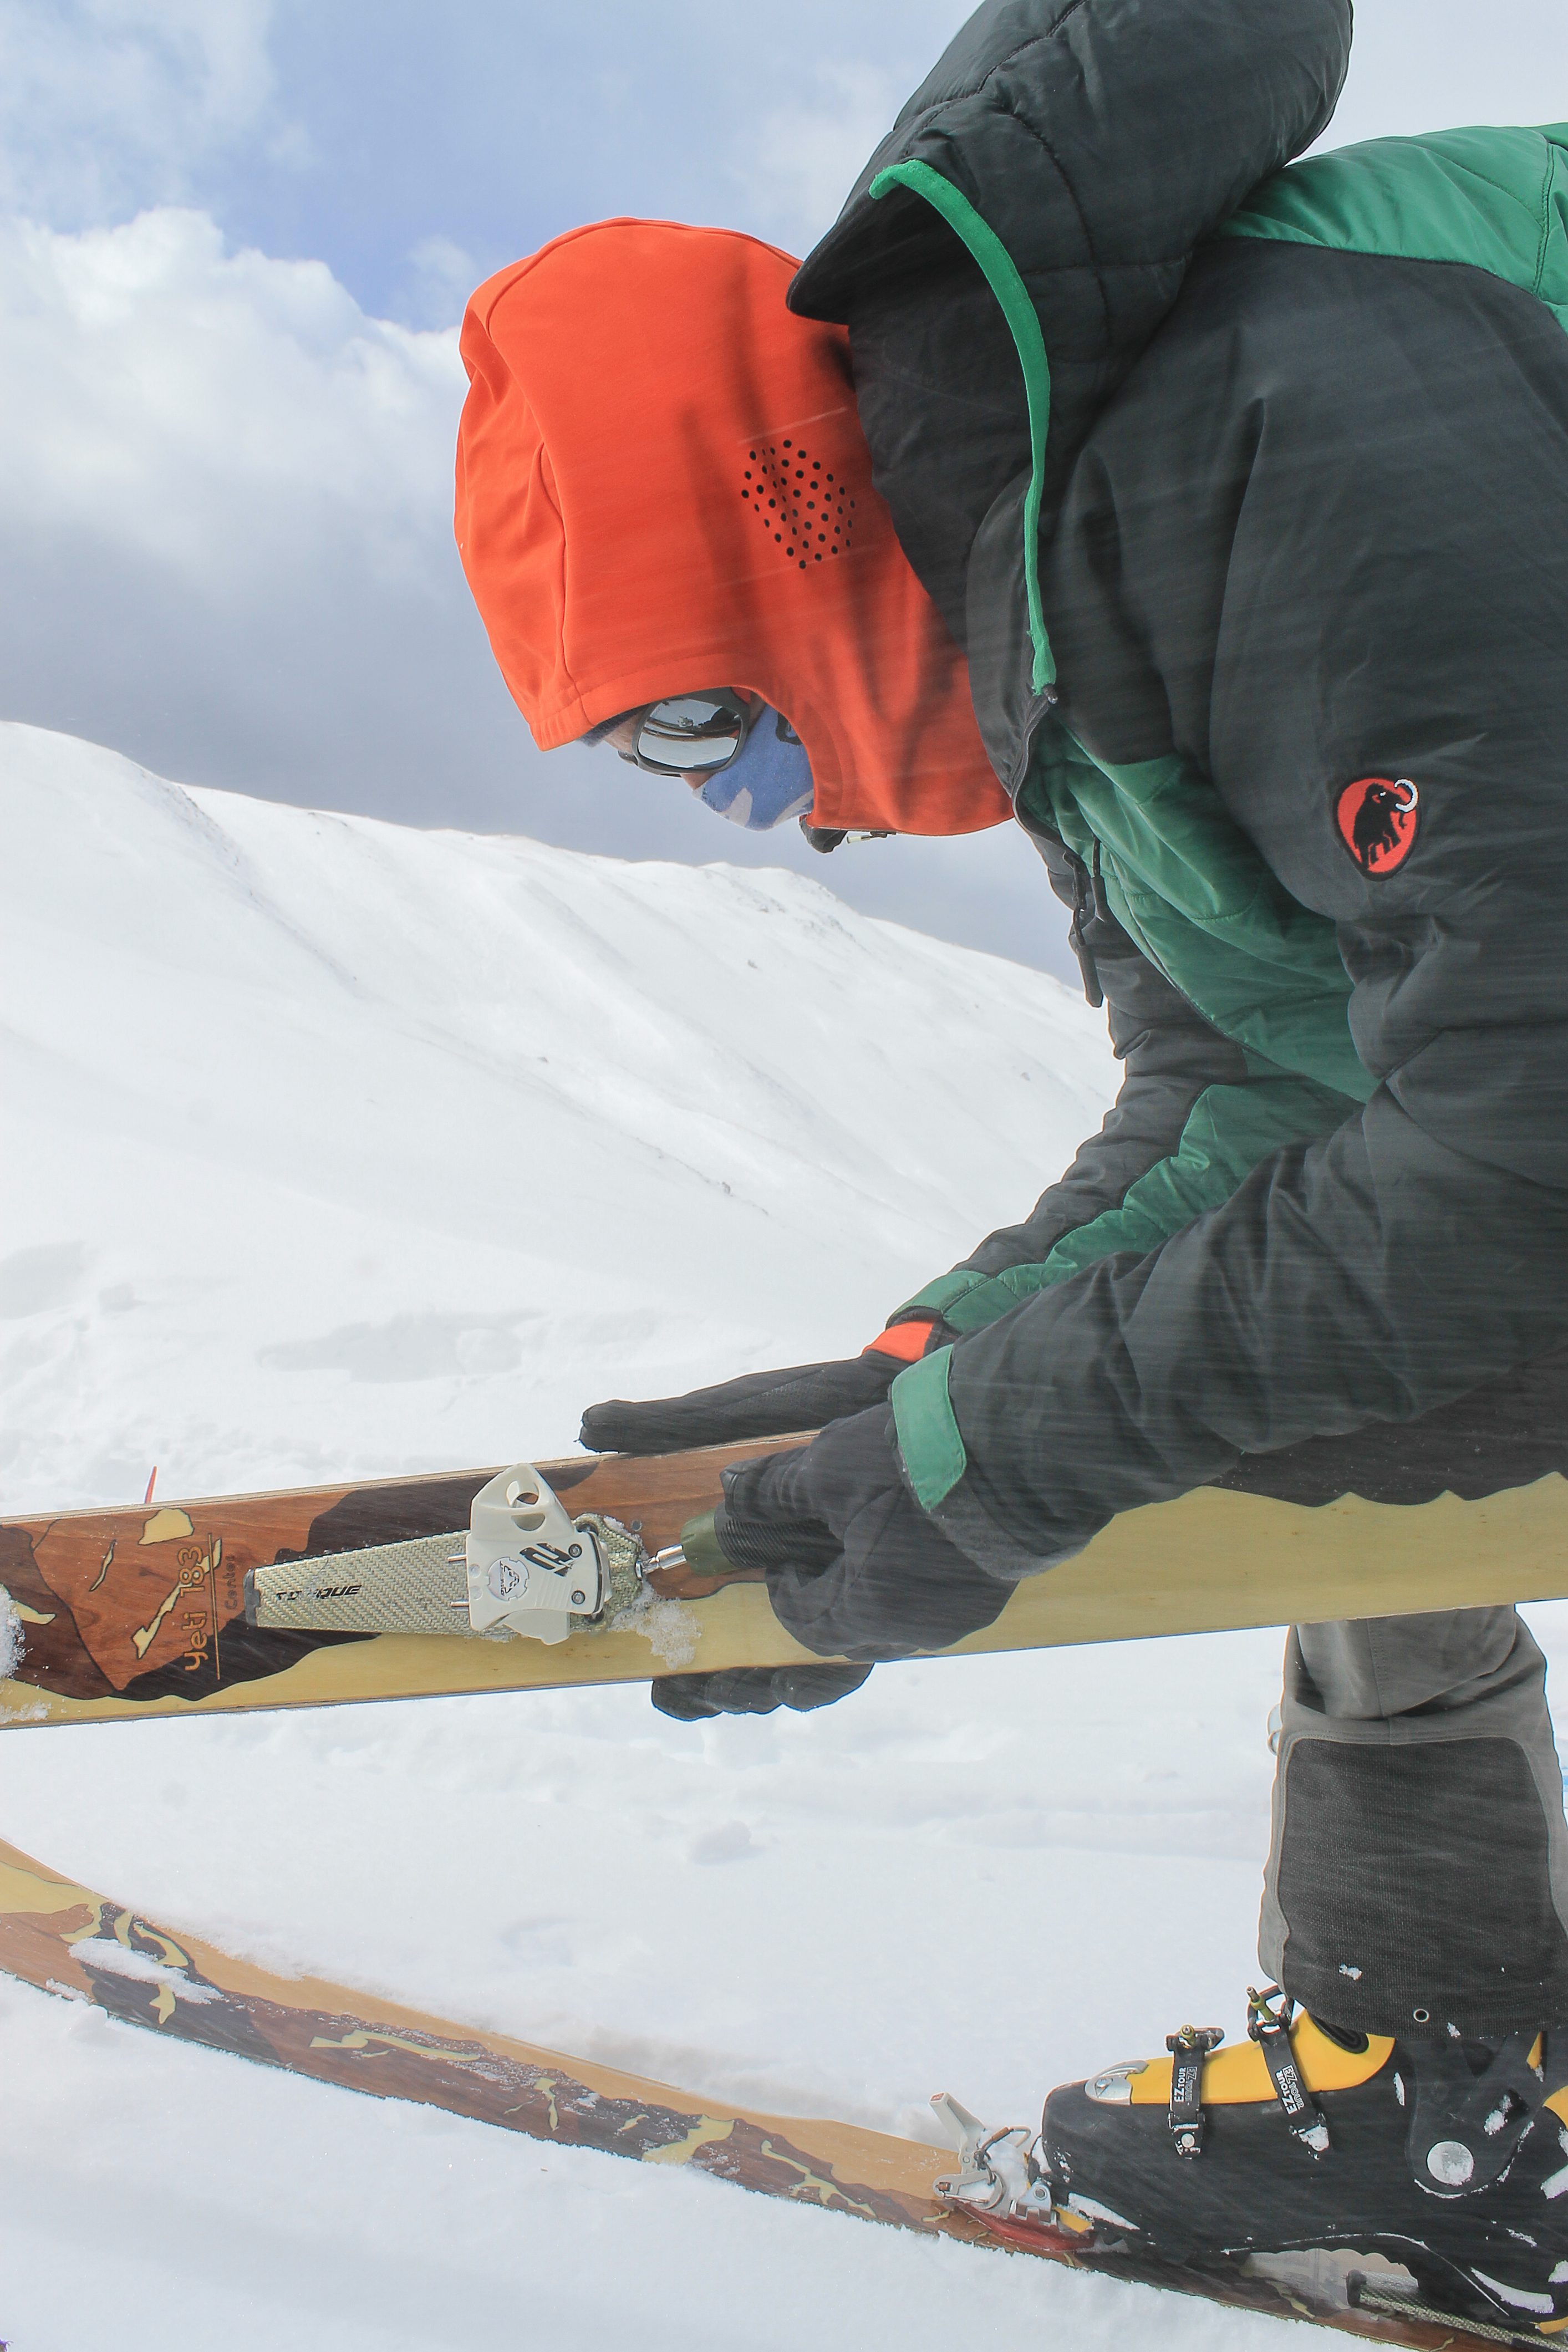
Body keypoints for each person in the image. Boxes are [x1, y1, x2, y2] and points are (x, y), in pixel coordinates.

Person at [454, 0, 1568, 2326]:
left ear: (780, 515)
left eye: (689, 726)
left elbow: (1518, 1135)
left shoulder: (1281, 442)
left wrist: (1003, 1447)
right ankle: (1438, 2062)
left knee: (1275, 1346)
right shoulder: (1092, 591)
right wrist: (916, 1385)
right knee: (1246, 1340)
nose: (752, 805)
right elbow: (1254, 1098)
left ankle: (1438, 2062)